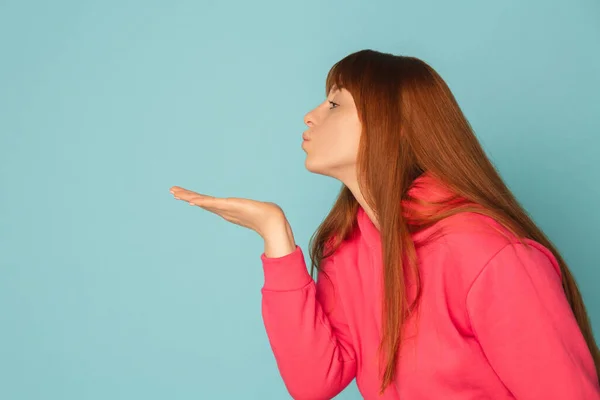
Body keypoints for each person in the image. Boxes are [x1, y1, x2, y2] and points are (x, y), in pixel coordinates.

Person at [169, 49, 600, 399]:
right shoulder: (349, 246)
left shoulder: (485, 252)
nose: (310, 115)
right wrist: (275, 237)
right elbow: (314, 382)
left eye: (334, 103)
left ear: (388, 127)